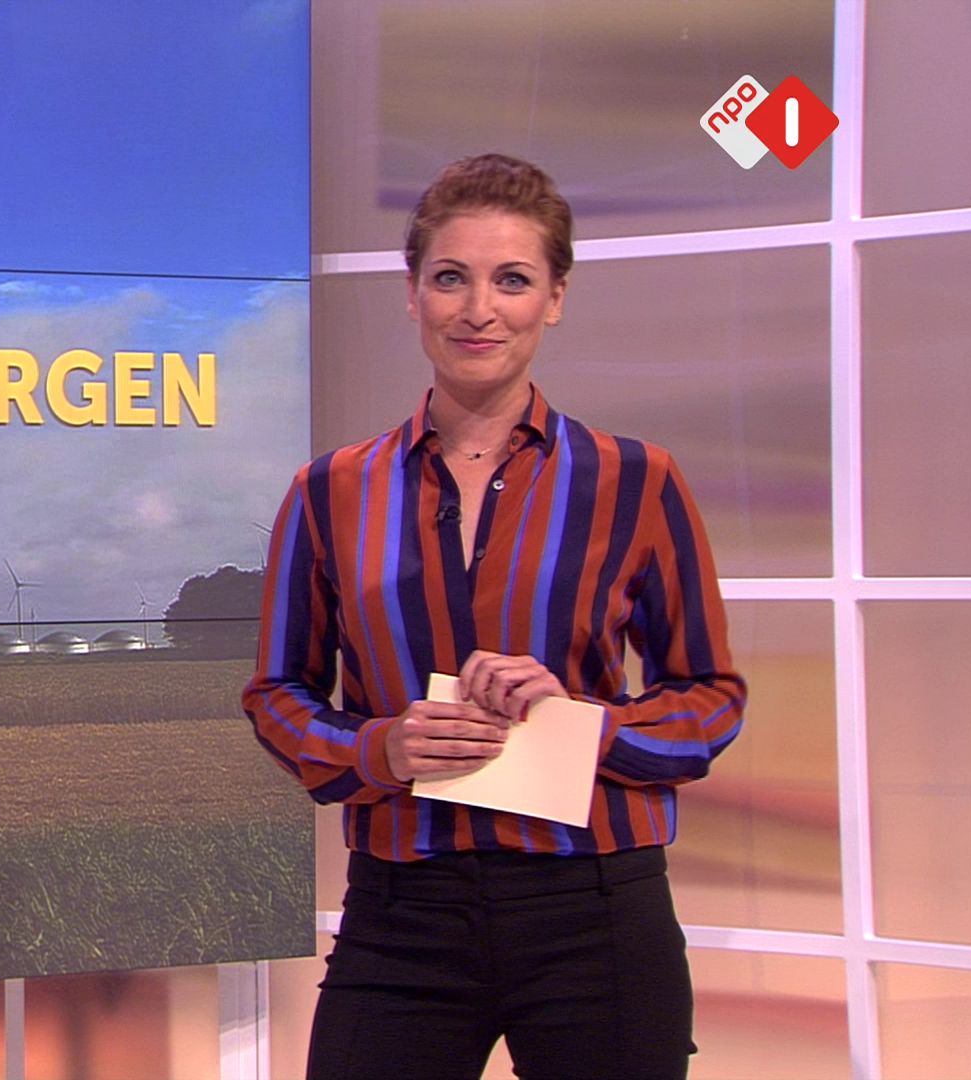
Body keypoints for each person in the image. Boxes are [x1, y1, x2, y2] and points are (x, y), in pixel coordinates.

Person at [242, 153, 746, 1080]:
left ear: (555, 298)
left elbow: (711, 698)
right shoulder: (330, 491)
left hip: (597, 912)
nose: (479, 309)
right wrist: (380, 749)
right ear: (412, 295)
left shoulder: (636, 480)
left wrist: (587, 726)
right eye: (451, 278)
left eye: (512, 280)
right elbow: (277, 694)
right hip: (402, 915)